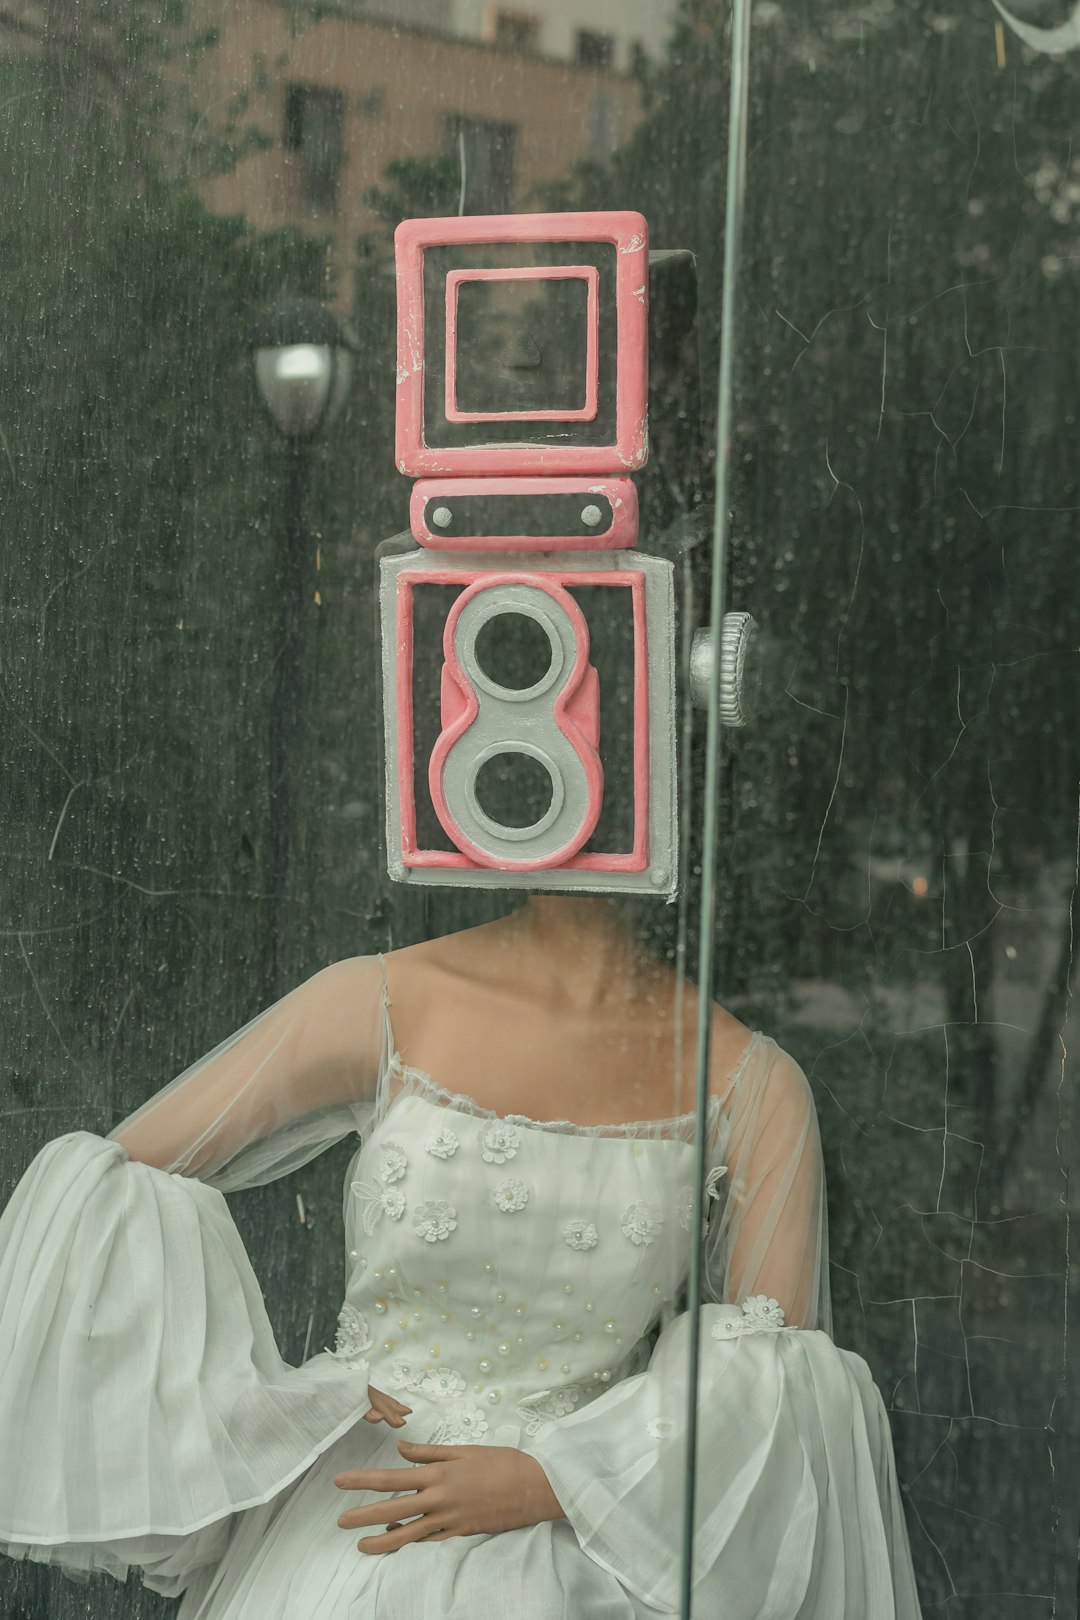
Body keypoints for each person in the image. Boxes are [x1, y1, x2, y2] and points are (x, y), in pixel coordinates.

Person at [0, 897, 923, 1617]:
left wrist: (562, 1482)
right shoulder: (383, 999)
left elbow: (775, 1404)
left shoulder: (752, 1084)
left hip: (575, 1555)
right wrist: (264, 1412)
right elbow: (103, 1188)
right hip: (355, 1518)